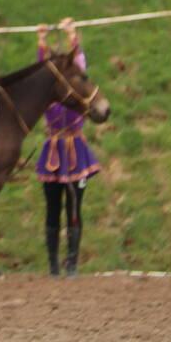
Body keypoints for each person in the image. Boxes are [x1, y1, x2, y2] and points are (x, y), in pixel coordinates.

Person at [36, 17, 100, 277]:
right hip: (52, 149)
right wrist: (41, 42)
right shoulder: (49, 91)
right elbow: (43, 71)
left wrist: (73, 36)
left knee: (74, 208)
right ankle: (53, 265)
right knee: (52, 209)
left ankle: (71, 264)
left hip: (76, 150)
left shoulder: (76, 88)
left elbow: (80, 65)